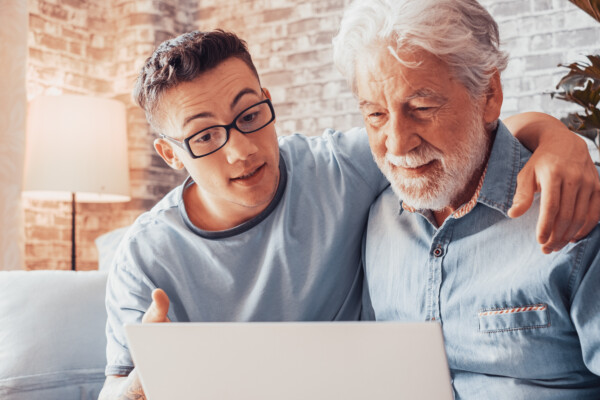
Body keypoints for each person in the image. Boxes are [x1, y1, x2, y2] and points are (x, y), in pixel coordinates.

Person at [99, 29, 600, 399]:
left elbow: (457, 133)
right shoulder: (144, 258)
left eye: (250, 116)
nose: (242, 151)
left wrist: (555, 137)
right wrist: (139, 385)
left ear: (268, 103)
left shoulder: (339, 167)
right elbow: (115, 387)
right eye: (205, 136)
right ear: (171, 156)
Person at [332, 0, 600, 398]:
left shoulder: (576, 211)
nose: (398, 143)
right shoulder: (375, 218)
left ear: (489, 94)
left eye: (422, 108)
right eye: (375, 115)